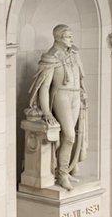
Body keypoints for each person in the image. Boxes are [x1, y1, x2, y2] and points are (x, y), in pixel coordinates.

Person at [27, 24, 88, 189]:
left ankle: (65, 170)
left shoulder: (74, 54)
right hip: (61, 95)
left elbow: (79, 77)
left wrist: (83, 92)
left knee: (72, 135)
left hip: (75, 96)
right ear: (58, 38)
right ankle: (62, 174)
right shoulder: (51, 57)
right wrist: (46, 111)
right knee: (69, 136)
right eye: (68, 36)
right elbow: (44, 87)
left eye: (71, 36)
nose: (71, 39)